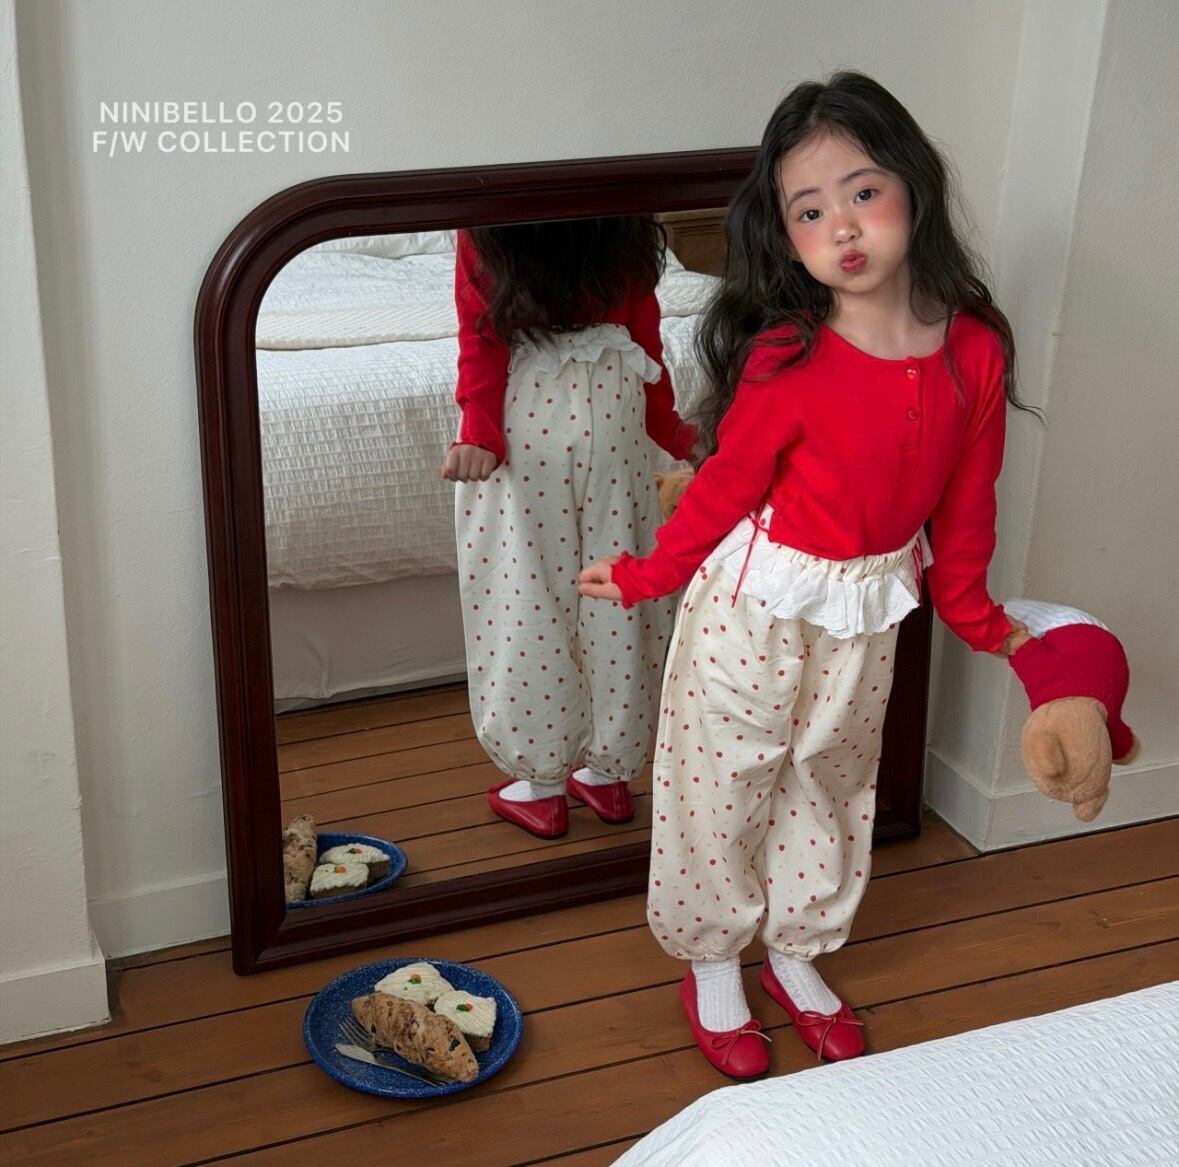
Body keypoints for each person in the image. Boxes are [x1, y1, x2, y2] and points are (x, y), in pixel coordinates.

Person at [579, 72, 1036, 1077]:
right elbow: (723, 488)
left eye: (863, 192)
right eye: (811, 210)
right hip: (755, 606)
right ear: (787, 238)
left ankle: (796, 949)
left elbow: (968, 502)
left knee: (829, 783)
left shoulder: (973, 347)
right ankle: (713, 963)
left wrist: (974, 613)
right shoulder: (787, 355)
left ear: (913, 187)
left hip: (867, 609)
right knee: (725, 781)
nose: (845, 227)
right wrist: (649, 574)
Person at [443, 219, 700, 839]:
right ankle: (608, 775)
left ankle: (541, 785)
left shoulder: (489, 222)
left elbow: (481, 333)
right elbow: (646, 338)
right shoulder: (624, 220)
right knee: (619, 584)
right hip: (616, 401)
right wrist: (675, 433)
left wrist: (479, 431)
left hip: (529, 411)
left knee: (527, 591)